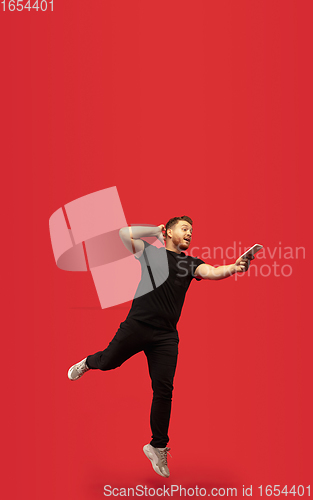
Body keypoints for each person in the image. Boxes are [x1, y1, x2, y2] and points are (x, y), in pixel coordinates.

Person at [67, 216, 253, 478]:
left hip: (166, 336)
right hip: (137, 326)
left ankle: (157, 446)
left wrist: (234, 267)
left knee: (164, 389)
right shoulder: (150, 254)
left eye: (192, 231)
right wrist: (155, 230)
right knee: (109, 362)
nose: (190, 234)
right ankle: (88, 362)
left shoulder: (190, 264)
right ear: (169, 232)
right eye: (185, 229)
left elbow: (212, 272)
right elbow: (124, 233)